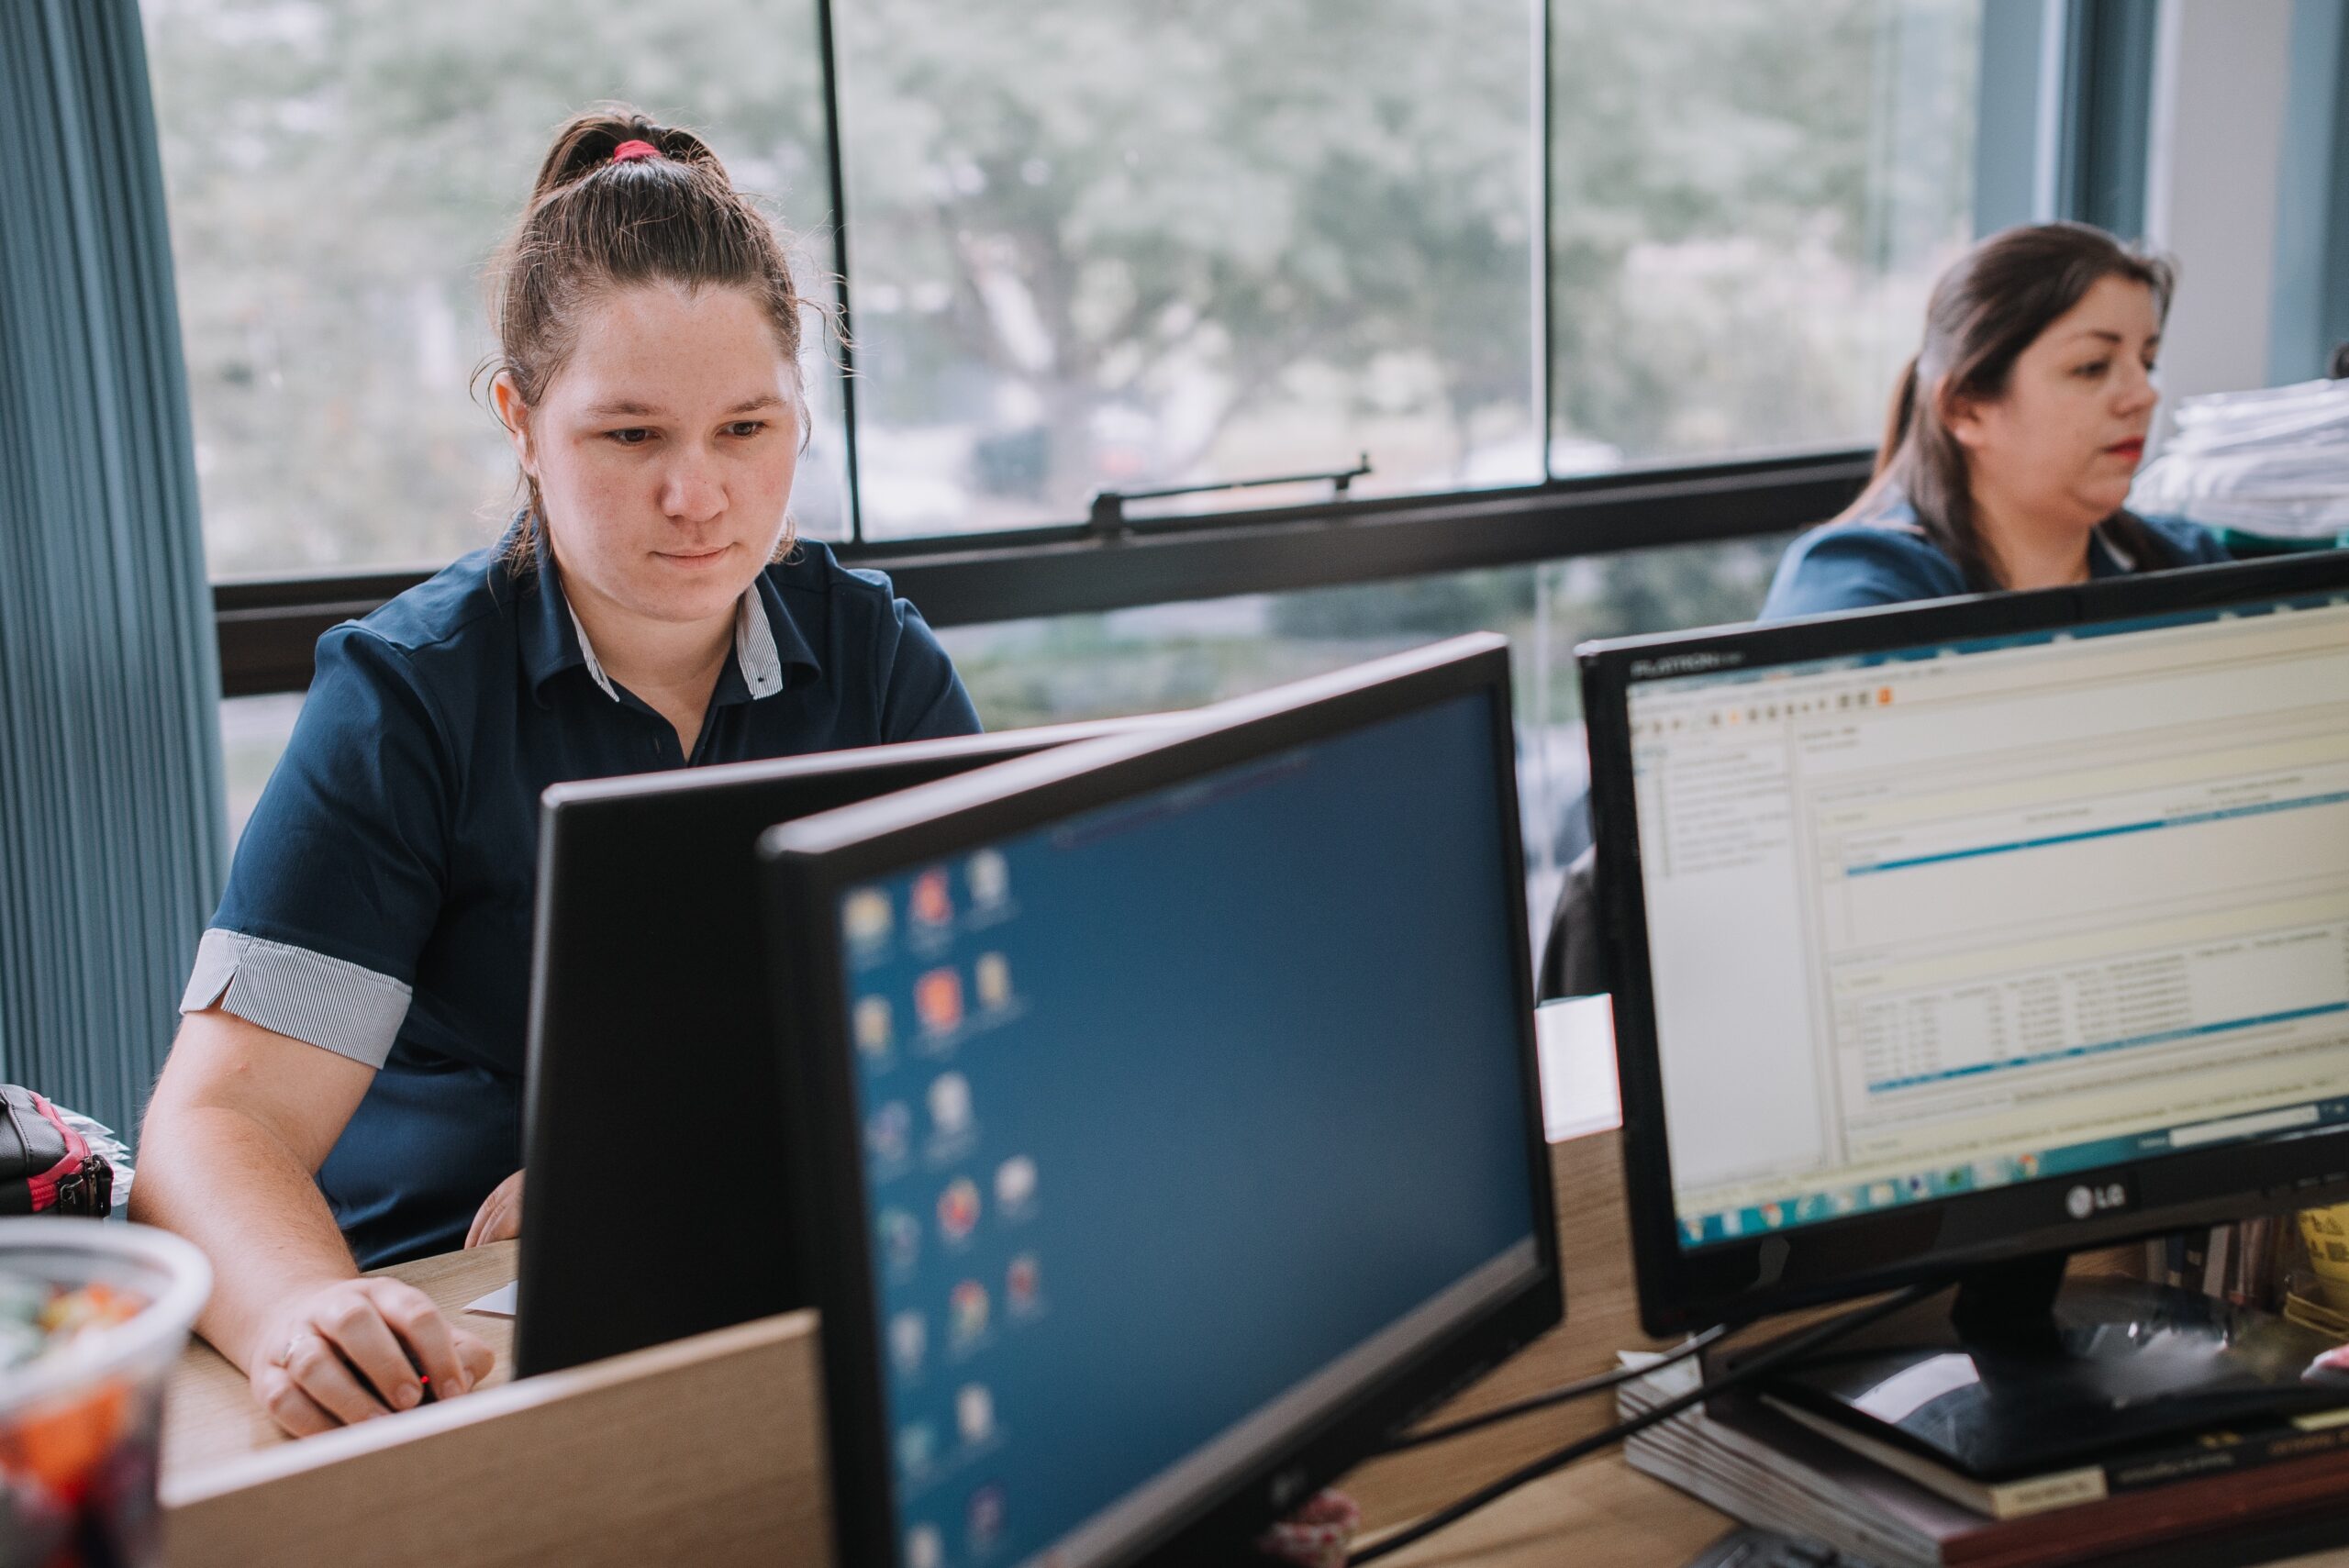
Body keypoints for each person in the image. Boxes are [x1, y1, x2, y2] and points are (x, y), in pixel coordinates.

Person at [131, 108, 980, 1437]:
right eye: (630, 437)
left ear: (801, 416)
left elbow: (972, 1028)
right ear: (522, 423)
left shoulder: (880, 663)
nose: (698, 495)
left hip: (763, 1275)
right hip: (443, 1334)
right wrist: (305, 1315)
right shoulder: (404, 697)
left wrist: (656, 1175)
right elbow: (211, 1129)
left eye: (747, 428)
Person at [1762, 222, 2231, 619]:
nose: (2144, 395)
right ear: (1965, 408)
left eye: (2146, 363)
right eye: (2091, 367)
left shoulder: (2186, 562)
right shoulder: (1859, 589)